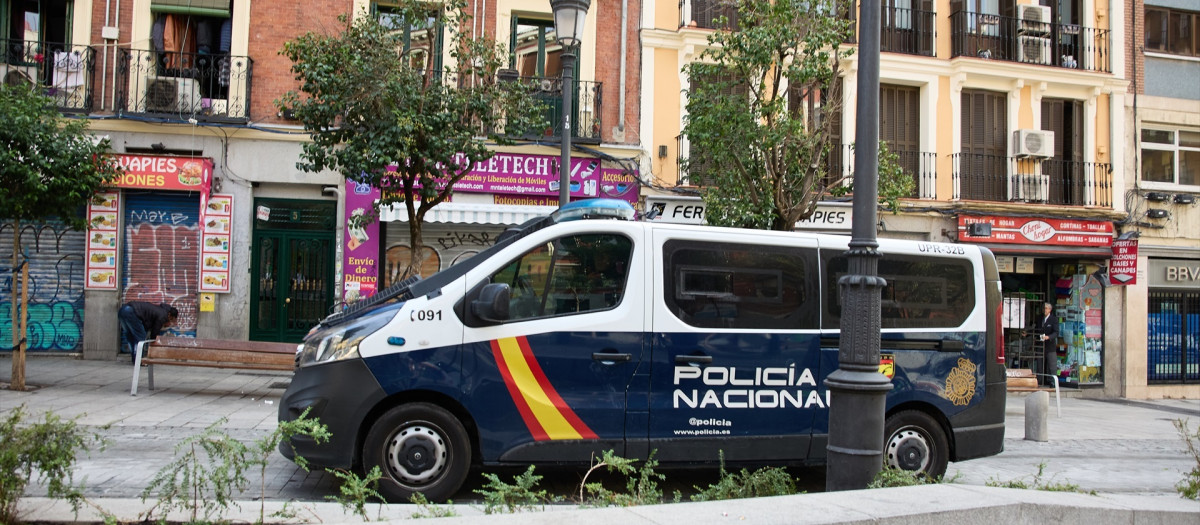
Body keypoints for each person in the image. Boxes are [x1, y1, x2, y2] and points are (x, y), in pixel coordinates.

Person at [1037, 302, 1059, 384]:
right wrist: (1027, 333)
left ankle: (1052, 382)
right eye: (1043, 308)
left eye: (1046, 308)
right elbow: (1036, 328)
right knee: (1039, 363)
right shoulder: (1040, 318)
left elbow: (1056, 332)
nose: (1044, 310)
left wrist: (1048, 337)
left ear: (1050, 309)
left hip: (1050, 345)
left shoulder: (1054, 319)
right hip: (1040, 344)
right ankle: (1039, 380)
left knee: (1051, 365)